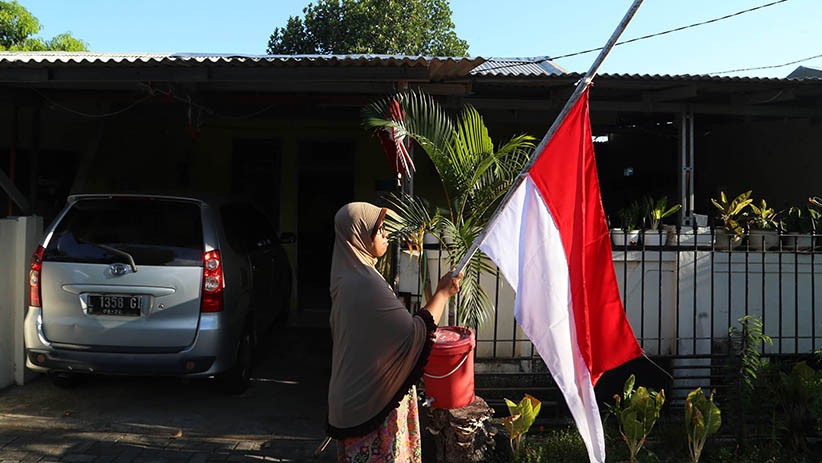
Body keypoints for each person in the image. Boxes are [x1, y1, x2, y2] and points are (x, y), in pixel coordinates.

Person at [326, 202, 463, 462]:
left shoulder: (345, 276)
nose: (386, 234)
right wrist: (443, 294)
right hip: (370, 405)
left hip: (354, 399)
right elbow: (413, 335)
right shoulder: (364, 282)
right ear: (359, 235)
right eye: (379, 230)